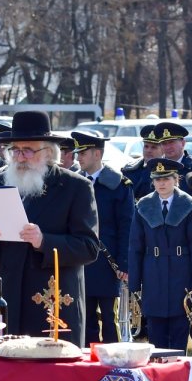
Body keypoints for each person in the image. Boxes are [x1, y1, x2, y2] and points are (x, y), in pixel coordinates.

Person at [0, 110, 99, 345]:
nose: (20, 157)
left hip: (52, 302)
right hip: (7, 300)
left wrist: (44, 241)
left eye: (28, 150)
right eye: (15, 150)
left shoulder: (75, 187)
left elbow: (89, 247)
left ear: (49, 152)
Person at [126, 158, 192, 351]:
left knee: (179, 328)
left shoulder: (189, 204)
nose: (162, 183)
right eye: (157, 179)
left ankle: (177, 367)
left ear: (176, 179)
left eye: (166, 178)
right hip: (153, 274)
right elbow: (135, 246)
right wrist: (134, 283)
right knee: (156, 332)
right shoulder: (143, 205)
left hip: (181, 274)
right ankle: (158, 369)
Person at [72, 130, 132, 344]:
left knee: (109, 317)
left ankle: (113, 358)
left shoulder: (118, 184)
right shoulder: (74, 182)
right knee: (85, 316)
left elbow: (126, 226)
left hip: (108, 261)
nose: (78, 157)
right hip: (81, 258)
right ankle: (89, 358)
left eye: (83, 153)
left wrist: (124, 262)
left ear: (97, 154)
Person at [121, 125, 161, 201]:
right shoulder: (129, 170)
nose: (148, 150)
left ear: (163, 150)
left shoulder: (169, 172)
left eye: (154, 147)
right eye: (146, 146)